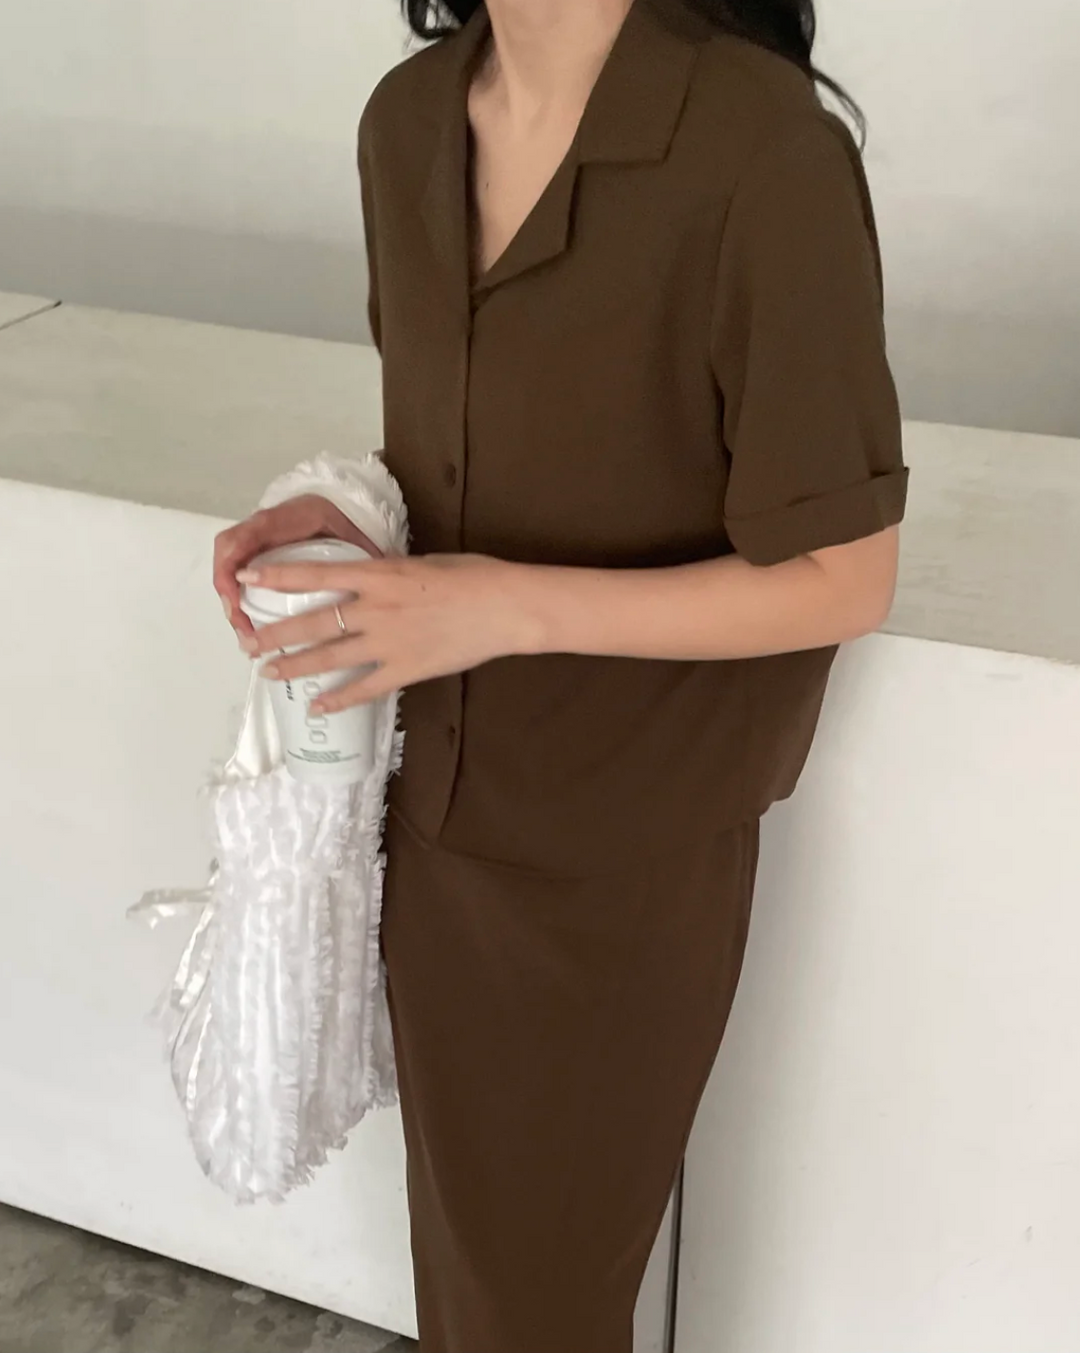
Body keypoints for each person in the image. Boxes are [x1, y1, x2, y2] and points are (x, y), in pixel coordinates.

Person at [214, 0, 907, 1347]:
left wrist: (497, 608)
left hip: (624, 846)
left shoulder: (762, 149)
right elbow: (471, 447)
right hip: (431, 810)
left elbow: (844, 576)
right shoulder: (407, 123)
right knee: (476, 1283)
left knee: (533, 1306)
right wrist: (357, 510)